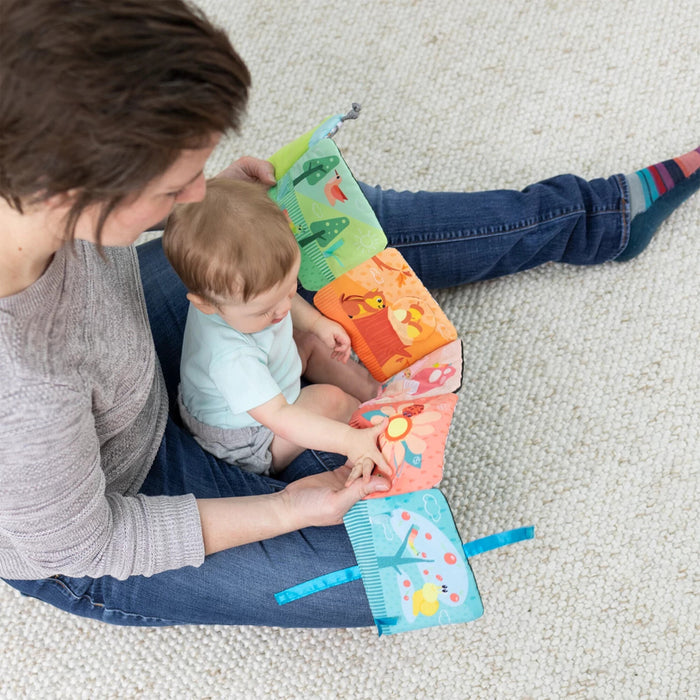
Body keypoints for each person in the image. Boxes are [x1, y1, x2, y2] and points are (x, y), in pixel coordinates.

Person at [0, 0, 698, 628]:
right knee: (406, 569)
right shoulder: (23, 387)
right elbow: (88, 542)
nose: (195, 192)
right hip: (104, 517)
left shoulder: (32, 138)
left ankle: (599, 214)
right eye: (175, 184)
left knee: (287, 227)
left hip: (131, 358)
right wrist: (286, 508)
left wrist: (216, 204)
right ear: (71, 191)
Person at [162, 178, 389, 483]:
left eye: (290, 288)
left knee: (311, 339)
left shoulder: (242, 296)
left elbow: (281, 301)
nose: (283, 309)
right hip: (251, 436)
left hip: (270, 378)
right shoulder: (230, 357)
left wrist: (317, 323)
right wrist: (348, 441)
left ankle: (378, 394)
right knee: (329, 400)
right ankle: (374, 428)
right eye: (265, 309)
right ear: (205, 305)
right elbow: (281, 416)